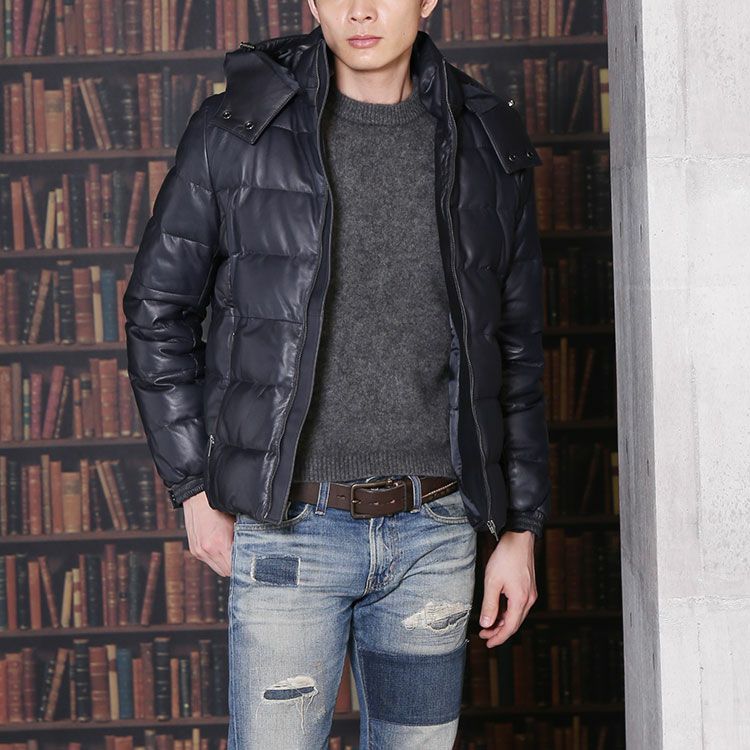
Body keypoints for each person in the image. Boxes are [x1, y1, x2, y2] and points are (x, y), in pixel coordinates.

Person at [123, 1, 551, 747]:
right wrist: (192, 487)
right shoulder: (238, 128)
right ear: (313, 3)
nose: (361, 10)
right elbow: (158, 312)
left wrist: (520, 531)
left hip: (436, 533)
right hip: (290, 528)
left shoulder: (486, 138)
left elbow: (513, 347)